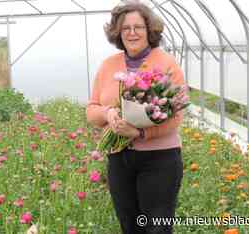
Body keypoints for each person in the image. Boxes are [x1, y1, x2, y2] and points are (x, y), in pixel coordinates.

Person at [86, 2, 186, 234]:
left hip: (160, 159)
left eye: (138, 27)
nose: (132, 33)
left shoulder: (166, 63)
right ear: (118, 34)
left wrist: (141, 133)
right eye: (125, 28)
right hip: (120, 160)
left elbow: (176, 113)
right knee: (130, 227)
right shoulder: (108, 65)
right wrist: (108, 113)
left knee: (157, 229)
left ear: (149, 30)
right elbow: (91, 109)